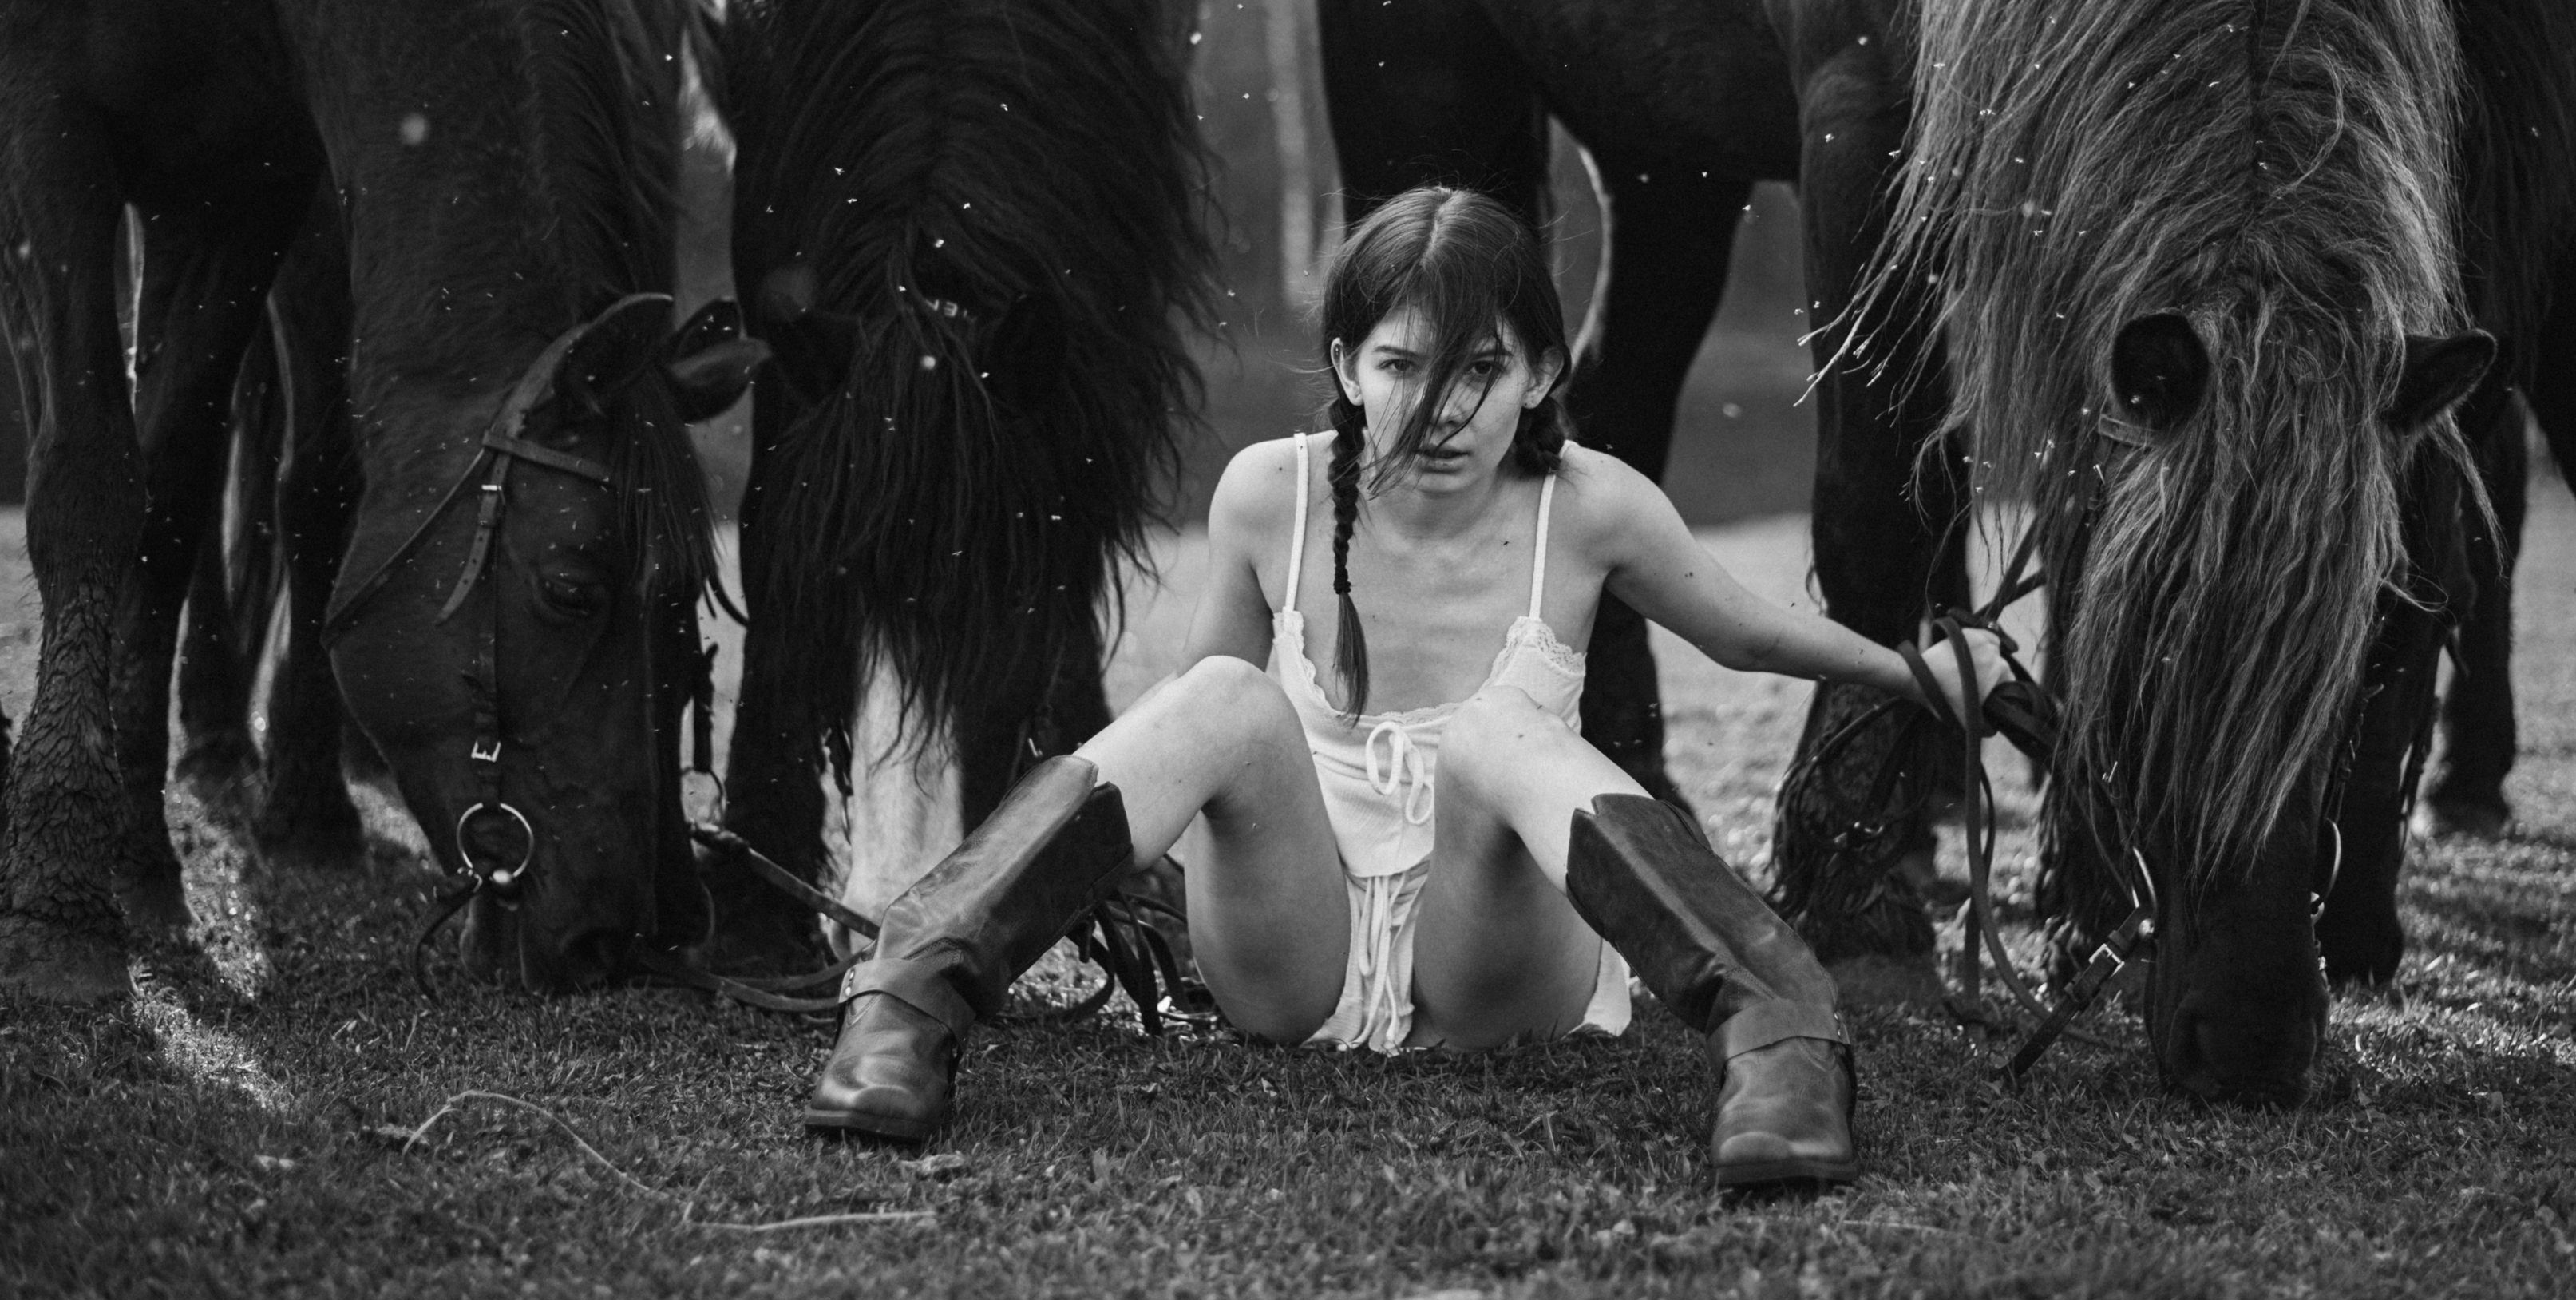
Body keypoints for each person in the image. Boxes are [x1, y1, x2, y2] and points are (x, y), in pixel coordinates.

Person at [802, 186, 2008, 1191]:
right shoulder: (1268, 493)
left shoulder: (1591, 506)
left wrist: (1919, 672)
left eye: (1481, 367)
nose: (1440, 408)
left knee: (1499, 728)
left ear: (1542, 370)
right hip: (1295, 952)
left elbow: (1748, 635)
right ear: (1345, 364)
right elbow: (1192, 738)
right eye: (1400, 363)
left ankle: (1780, 1031)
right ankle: (908, 993)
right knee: (1225, 694)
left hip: (1497, 967)